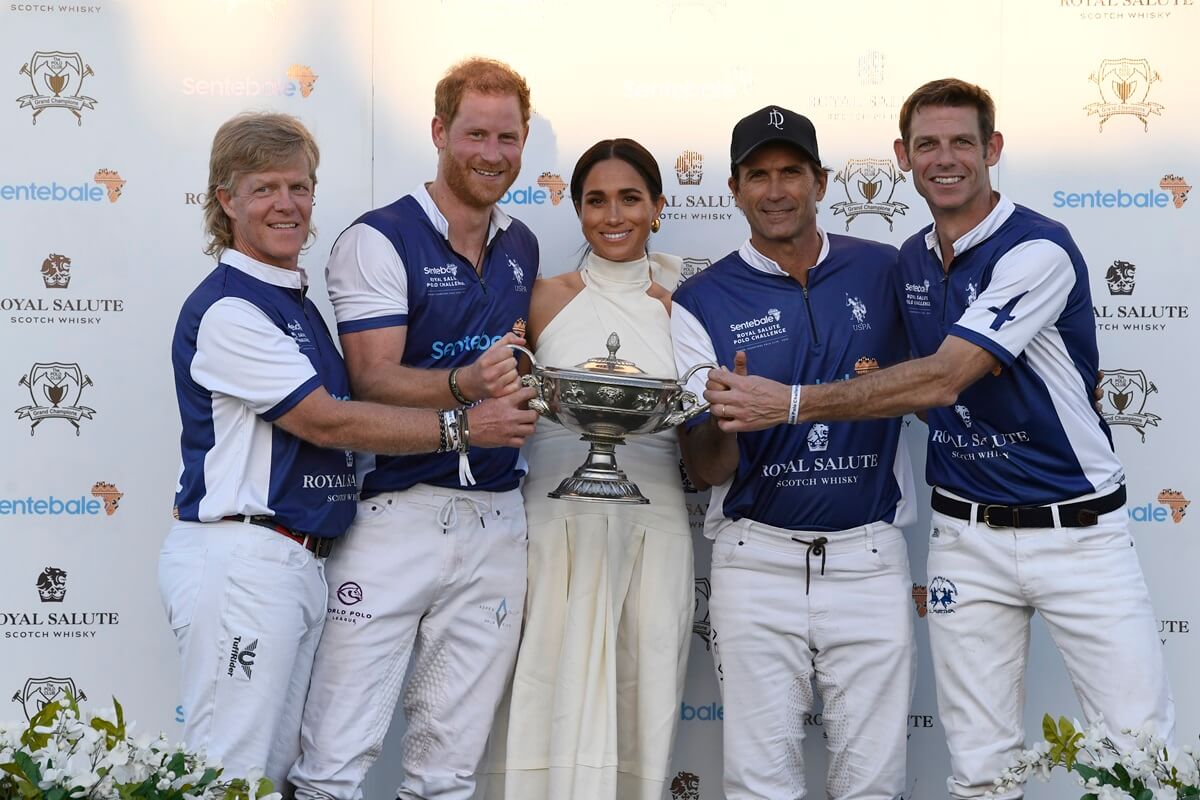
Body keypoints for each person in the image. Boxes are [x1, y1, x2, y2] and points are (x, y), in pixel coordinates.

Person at [704, 79, 1175, 799]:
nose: (945, 158)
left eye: (962, 142)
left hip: (1079, 531)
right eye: (928, 144)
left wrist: (792, 403)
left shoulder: (1038, 249)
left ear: (993, 149)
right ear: (903, 155)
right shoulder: (911, 262)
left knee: (1138, 758)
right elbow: (894, 379)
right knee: (981, 770)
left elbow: (946, 378)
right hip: (966, 538)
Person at [159, 111, 536, 792]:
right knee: (228, 777)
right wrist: (463, 428)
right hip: (245, 558)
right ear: (226, 200)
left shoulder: (292, 301)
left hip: (297, 561)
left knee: (266, 775)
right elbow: (327, 423)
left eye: (299, 188)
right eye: (265, 188)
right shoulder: (229, 309)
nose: (287, 205)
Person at [288, 58, 540, 800]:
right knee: (334, 759)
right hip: (397, 513)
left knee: (447, 771)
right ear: (438, 131)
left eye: (508, 137)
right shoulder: (379, 238)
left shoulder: (520, 242)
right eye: (475, 134)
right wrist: (469, 393)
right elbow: (372, 377)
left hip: (497, 520)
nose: (493, 154)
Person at [669, 106, 917, 800]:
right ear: (733, 188)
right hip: (758, 562)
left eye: (790, 173)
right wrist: (729, 420)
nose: (775, 191)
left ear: (821, 181)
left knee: (875, 783)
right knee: (759, 784)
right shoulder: (699, 300)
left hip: (868, 557)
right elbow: (704, 468)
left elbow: (938, 378)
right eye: (758, 176)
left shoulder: (885, 269)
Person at [487, 139, 693, 800]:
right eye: (595, 200)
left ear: (657, 207)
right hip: (554, 520)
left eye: (630, 198)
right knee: (549, 684)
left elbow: (698, 424)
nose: (613, 215)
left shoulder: (682, 309)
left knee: (642, 690)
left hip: (653, 520)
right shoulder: (542, 299)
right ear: (576, 210)